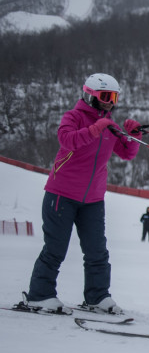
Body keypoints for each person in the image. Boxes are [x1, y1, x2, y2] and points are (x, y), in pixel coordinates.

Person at [21, 73, 141, 315]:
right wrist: (95, 129)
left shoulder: (110, 125)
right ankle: (40, 295)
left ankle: (98, 297)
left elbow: (127, 153)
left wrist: (134, 135)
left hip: (93, 199)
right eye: (106, 96)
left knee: (97, 251)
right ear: (91, 96)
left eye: (114, 97)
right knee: (55, 248)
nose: (110, 102)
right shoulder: (73, 117)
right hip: (61, 194)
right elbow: (67, 140)